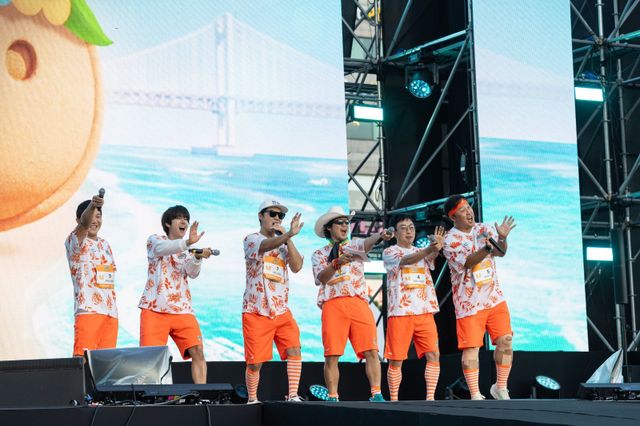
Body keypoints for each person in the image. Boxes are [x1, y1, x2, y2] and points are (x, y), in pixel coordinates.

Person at [311, 206, 393, 402]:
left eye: (347, 222)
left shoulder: (354, 246)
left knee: (371, 350)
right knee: (332, 355)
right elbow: (321, 278)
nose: (345, 226)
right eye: (340, 222)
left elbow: (367, 243)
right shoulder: (319, 254)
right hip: (333, 304)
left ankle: (376, 394)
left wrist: (380, 236)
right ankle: (333, 396)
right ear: (328, 227)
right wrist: (336, 263)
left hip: (358, 302)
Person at [441, 195, 516, 400]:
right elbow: (468, 262)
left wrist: (502, 238)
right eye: (462, 210)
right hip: (469, 303)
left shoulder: (484, 229)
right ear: (453, 217)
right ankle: (475, 393)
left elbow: (500, 253)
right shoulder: (450, 240)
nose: (469, 212)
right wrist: (488, 247)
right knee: (471, 348)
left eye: (469, 207)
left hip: (493, 297)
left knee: (506, 340)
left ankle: (500, 387)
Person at [139, 205, 213, 384]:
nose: (184, 222)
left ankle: (201, 393)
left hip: (182, 310)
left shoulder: (188, 250)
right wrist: (187, 243)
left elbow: (192, 272)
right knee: (151, 358)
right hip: (154, 310)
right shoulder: (155, 240)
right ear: (167, 223)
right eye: (179, 218)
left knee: (198, 351)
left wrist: (197, 257)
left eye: (186, 219)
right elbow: (164, 248)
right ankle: (152, 396)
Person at [242, 199, 305, 404]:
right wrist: (286, 235)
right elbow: (264, 246)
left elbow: (297, 266)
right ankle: (252, 399)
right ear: (261, 216)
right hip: (256, 310)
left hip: (281, 310)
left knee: (294, 349)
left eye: (281, 215)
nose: (277, 218)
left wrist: (289, 239)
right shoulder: (252, 239)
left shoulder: (284, 245)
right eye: (272, 214)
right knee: (255, 363)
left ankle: (293, 395)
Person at [382, 215, 445, 401]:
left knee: (433, 354)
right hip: (401, 311)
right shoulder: (390, 252)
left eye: (411, 227)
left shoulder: (420, 250)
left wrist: (438, 246)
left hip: (424, 310)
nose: (409, 231)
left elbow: (431, 257)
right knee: (396, 359)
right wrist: (429, 249)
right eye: (403, 228)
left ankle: (430, 398)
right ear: (394, 233)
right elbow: (407, 260)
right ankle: (394, 400)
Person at [65, 191, 118, 357]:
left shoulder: (105, 244)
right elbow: (84, 224)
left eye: (99, 216)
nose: (95, 221)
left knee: (106, 364)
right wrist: (93, 205)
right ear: (78, 220)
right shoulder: (75, 240)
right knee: (82, 360)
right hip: (88, 310)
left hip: (110, 313)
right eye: (92, 216)